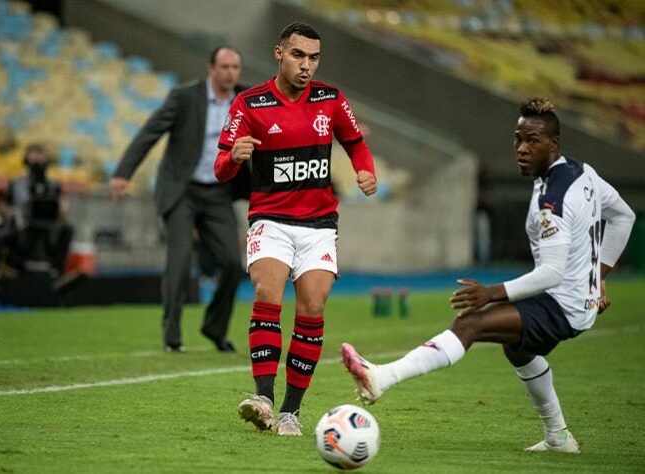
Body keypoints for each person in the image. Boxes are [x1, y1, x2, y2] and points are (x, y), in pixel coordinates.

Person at [341, 98, 635, 453]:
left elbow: (552, 273)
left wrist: (493, 292)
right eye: (518, 139)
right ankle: (558, 438)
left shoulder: (552, 203)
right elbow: (624, 216)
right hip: (571, 298)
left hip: (564, 304)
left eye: (533, 141)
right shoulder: (582, 173)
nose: (522, 149)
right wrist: (598, 277)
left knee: (471, 324)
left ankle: (382, 377)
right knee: (518, 350)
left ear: (554, 144)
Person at [214, 22, 378, 436]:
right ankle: (263, 398)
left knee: (312, 308)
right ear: (279, 54)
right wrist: (235, 156)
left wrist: (365, 170)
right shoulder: (249, 103)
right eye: (298, 55)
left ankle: (290, 411)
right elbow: (220, 168)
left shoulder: (331, 99)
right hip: (270, 219)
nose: (306, 65)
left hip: (319, 224)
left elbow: (355, 142)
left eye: (314, 57)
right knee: (267, 292)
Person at [110, 47, 248, 354]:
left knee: (233, 264)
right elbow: (150, 132)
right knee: (181, 260)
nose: (230, 73)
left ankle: (215, 327)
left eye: (235, 67)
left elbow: (291, 114)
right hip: (182, 190)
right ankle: (172, 334)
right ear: (210, 68)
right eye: (224, 66)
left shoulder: (248, 100)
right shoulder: (185, 97)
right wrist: (123, 173)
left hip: (218, 193)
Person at [0, 144, 72, 277]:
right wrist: (14, 213)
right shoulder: (17, 183)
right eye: (33, 161)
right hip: (20, 227)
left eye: (40, 162)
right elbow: (3, 205)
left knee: (67, 231)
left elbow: (62, 207)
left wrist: (61, 211)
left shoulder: (54, 185)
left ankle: (57, 270)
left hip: (47, 227)